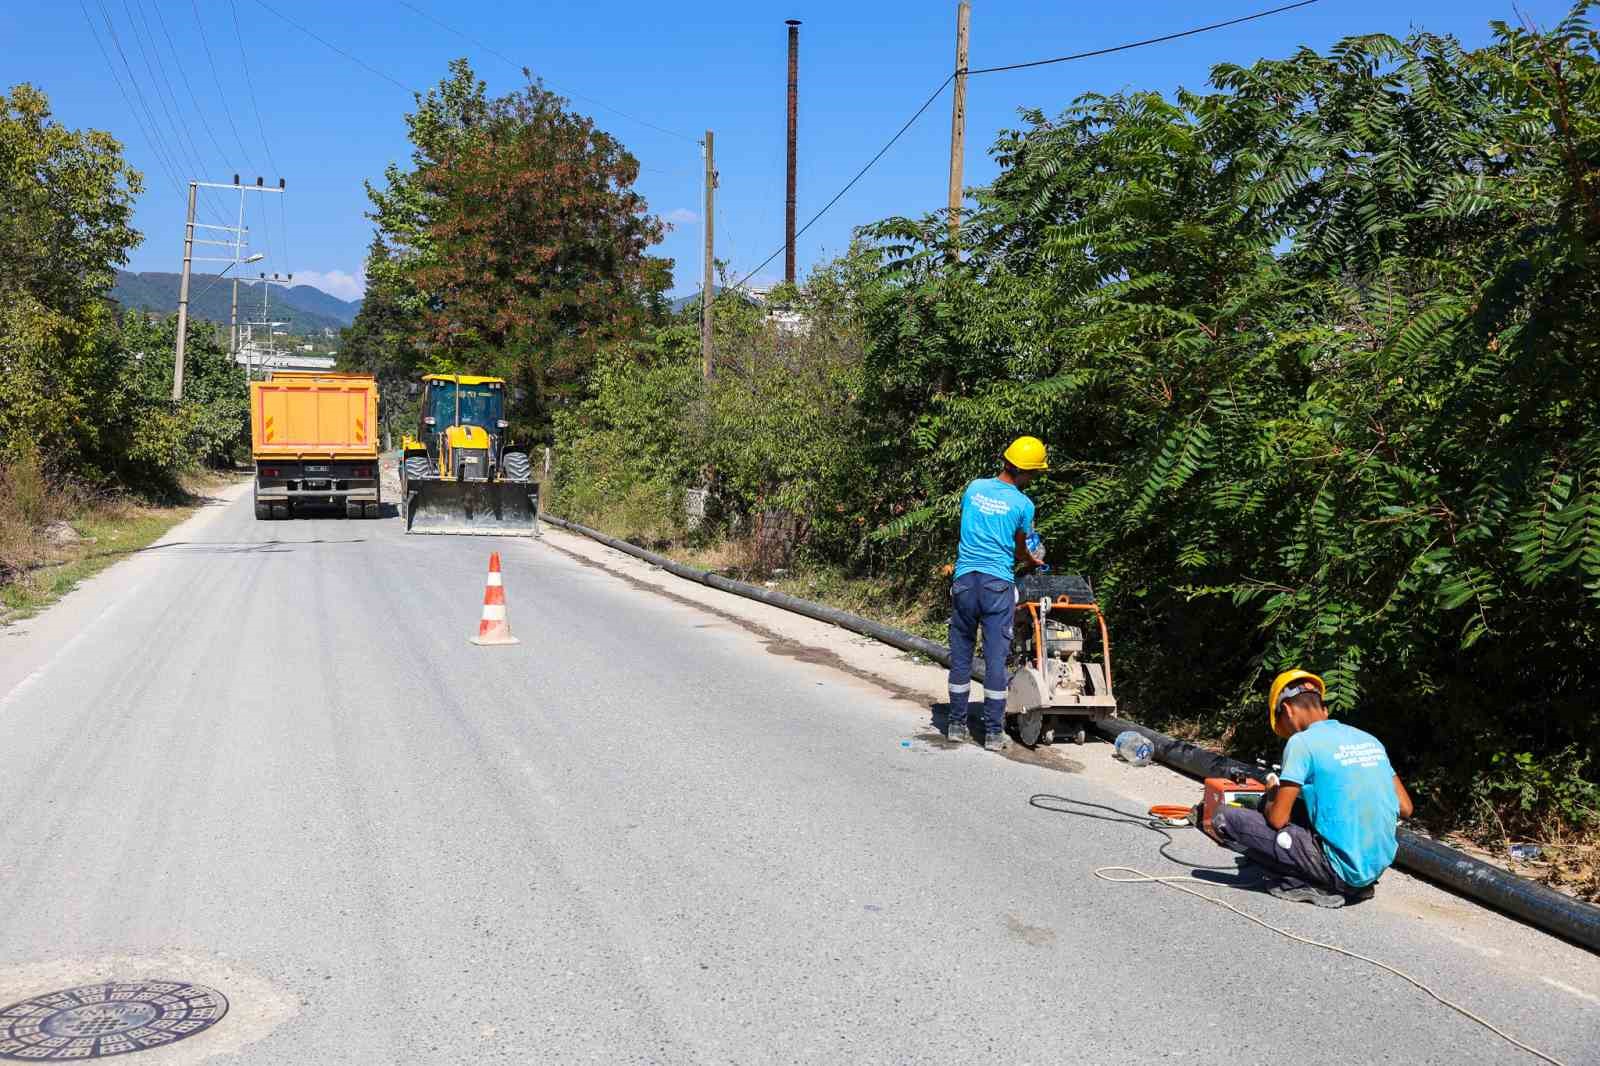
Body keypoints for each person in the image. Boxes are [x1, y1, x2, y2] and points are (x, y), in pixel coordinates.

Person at [1209, 669, 1415, 907]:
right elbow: (1406, 807)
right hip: (1373, 869)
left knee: (1224, 817)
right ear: (1324, 709)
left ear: (1286, 710)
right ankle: (1352, 883)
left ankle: (1314, 882)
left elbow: (1277, 819)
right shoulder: (1369, 740)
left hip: (1338, 871)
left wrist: (1272, 792)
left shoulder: (1301, 742)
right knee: (1300, 809)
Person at [945, 436, 1048, 750]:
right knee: (994, 660)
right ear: (1025, 472)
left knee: (961, 658)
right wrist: (1033, 560)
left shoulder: (974, 488)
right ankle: (992, 733)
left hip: (964, 582)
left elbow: (972, 526)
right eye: (1034, 474)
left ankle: (956, 725)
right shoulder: (1023, 504)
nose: (1034, 479)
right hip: (996, 585)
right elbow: (1020, 547)